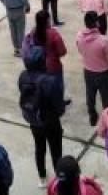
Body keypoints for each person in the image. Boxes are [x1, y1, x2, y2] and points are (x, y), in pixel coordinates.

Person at [18, 46, 66, 187]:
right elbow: (59, 106)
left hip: (33, 119)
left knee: (39, 148)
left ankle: (42, 177)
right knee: (56, 150)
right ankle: (59, 179)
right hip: (50, 121)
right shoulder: (50, 81)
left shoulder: (23, 76)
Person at [76, 11, 108, 126]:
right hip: (103, 73)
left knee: (90, 95)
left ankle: (92, 117)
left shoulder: (79, 36)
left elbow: (80, 50)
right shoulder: (103, 41)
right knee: (106, 98)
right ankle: (107, 120)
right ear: (97, 23)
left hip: (88, 71)